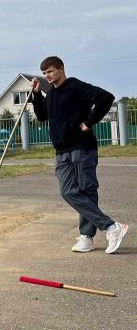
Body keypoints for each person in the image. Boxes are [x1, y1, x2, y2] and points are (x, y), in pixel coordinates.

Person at [31, 56, 128, 254]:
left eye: (49, 71)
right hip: (61, 151)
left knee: (86, 190)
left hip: (82, 147)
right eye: (44, 74)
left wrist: (89, 122)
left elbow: (105, 97)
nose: (47, 76)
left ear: (60, 69)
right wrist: (37, 94)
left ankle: (87, 237)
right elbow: (42, 115)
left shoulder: (75, 86)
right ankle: (111, 226)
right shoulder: (50, 95)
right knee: (68, 191)